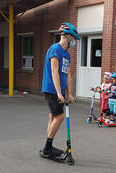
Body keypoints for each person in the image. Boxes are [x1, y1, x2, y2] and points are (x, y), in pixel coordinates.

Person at [41, 22, 79, 156]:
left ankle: (48, 146)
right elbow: (54, 71)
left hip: (59, 90)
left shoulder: (67, 54)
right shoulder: (55, 49)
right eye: (74, 39)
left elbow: (67, 74)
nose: (74, 42)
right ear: (68, 37)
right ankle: (47, 148)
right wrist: (58, 92)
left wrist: (70, 93)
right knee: (60, 116)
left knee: (53, 116)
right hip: (52, 89)